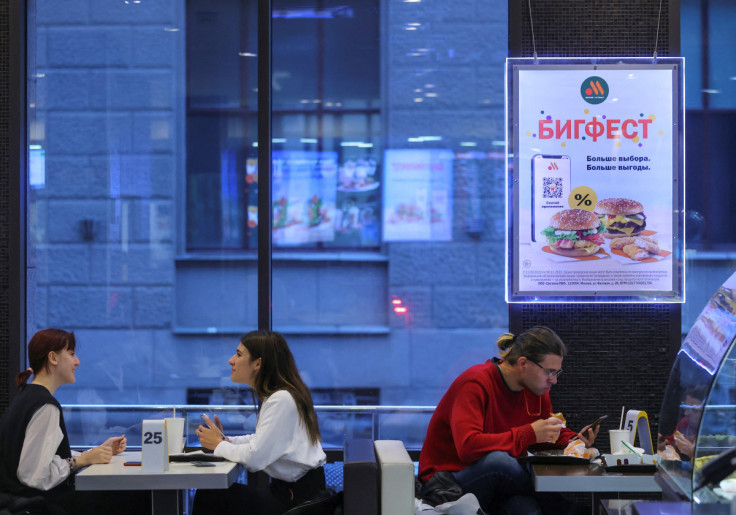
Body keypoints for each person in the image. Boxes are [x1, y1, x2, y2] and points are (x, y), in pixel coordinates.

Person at [418, 326, 599, 515]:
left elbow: (545, 434)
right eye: (549, 372)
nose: (553, 380)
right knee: (499, 461)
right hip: (448, 484)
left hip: (501, 482)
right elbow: (469, 447)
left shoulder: (536, 390)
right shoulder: (476, 383)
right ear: (523, 364)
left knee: (527, 510)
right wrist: (529, 433)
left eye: (556, 373)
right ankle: (567, 510)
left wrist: (572, 442)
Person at [0, 328, 150, 514]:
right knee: (142, 493)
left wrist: (95, 452)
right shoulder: (46, 406)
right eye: (71, 354)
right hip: (43, 504)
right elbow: (34, 476)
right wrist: (81, 460)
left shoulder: (26, 397)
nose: (77, 362)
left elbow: (39, 457)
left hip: (26, 500)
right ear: (53, 358)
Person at [192, 330, 327, 515]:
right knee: (212, 495)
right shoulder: (282, 395)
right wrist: (225, 441)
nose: (231, 361)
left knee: (210, 496)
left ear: (258, 363)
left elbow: (255, 457)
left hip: (296, 502)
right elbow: (262, 440)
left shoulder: (281, 399)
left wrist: (218, 445)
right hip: (292, 493)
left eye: (238, 355)